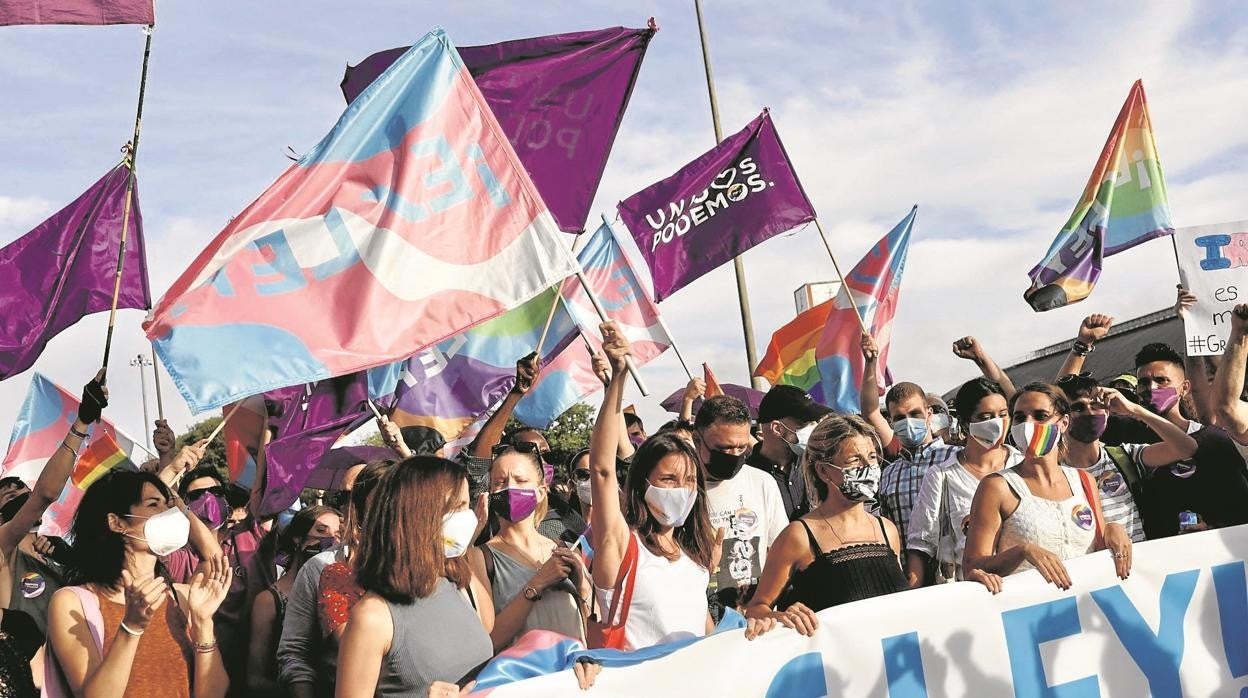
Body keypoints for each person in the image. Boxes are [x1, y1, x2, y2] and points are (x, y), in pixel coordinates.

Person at [588, 322, 774, 650]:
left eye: (689, 481)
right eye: (668, 479)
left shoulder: (694, 557)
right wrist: (618, 377)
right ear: (642, 484)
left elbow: (703, 641)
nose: (681, 489)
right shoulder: (622, 545)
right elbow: (603, 468)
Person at [45, 470, 232, 698]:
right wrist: (131, 627)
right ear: (117, 523)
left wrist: (203, 623)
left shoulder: (182, 597)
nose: (168, 513)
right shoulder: (73, 603)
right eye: (154, 505)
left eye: (168, 505)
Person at [335, 456, 495, 698]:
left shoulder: (460, 582)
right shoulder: (372, 616)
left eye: (467, 504)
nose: (468, 516)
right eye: (457, 507)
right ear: (418, 515)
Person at [963, 383, 1133, 593]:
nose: (1028, 424)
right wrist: (1022, 552)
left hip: (1086, 607)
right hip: (1029, 610)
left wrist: (1112, 529)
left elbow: (1097, 548)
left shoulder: (1083, 480)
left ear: (1063, 423)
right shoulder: (996, 486)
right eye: (1019, 417)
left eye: (1040, 415)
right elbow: (972, 566)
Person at [745, 414, 907, 635]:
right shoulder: (799, 536)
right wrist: (784, 617)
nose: (868, 467)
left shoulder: (886, 530)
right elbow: (757, 609)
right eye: (854, 460)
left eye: (872, 457)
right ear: (823, 471)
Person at [0, 371, 109, 642]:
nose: (16, 494)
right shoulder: (4, 549)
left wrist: (71, 559)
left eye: (20, 489)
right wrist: (81, 423)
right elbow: (45, 494)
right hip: (31, 678)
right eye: (6, 495)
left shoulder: (59, 555)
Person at [277, 460, 390, 698]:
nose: (352, 505)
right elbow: (294, 653)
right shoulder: (321, 569)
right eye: (344, 496)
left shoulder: (424, 570)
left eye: (367, 493)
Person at [467, 445, 589, 651]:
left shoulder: (566, 549)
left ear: (541, 492)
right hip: (523, 678)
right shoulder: (480, 557)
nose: (510, 488)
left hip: (574, 676)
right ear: (490, 493)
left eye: (521, 481)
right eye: (500, 482)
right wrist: (537, 584)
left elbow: (591, 629)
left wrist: (583, 586)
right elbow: (489, 642)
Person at [905, 378, 1023, 586]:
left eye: (1003, 415)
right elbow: (920, 545)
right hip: (972, 592)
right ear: (966, 423)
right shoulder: (943, 476)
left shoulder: (1023, 464)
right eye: (985, 417)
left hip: (1030, 585)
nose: (997, 423)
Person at [1057, 373, 1198, 543]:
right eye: (1078, 408)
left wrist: (1134, 410)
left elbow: (1186, 448)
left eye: (1096, 405)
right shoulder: (1053, 473)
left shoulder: (1125, 455)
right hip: (1092, 567)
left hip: (1141, 565)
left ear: (1108, 413)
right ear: (1062, 420)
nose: (1090, 412)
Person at [859, 334, 958, 550]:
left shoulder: (955, 458)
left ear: (929, 413)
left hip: (952, 574)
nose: (908, 422)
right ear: (891, 422)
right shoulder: (890, 473)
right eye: (900, 418)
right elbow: (870, 411)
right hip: (907, 573)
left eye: (915, 413)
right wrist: (870, 363)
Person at [694, 395, 789, 614]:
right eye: (725, 449)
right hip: (700, 623)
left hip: (754, 619)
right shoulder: (682, 487)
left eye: (742, 448)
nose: (734, 456)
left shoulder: (762, 482)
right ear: (697, 440)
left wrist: (766, 603)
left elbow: (781, 553)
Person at [247, 506, 341, 696]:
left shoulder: (341, 593)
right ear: (297, 538)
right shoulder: (268, 601)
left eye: (337, 534)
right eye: (321, 531)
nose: (331, 540)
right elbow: (255, 679)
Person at [747, 385, 832, 521]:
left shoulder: (817, 468)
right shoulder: (748, 478)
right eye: (805, 423)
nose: (814, 428)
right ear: (777, 428)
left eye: (815, 422)